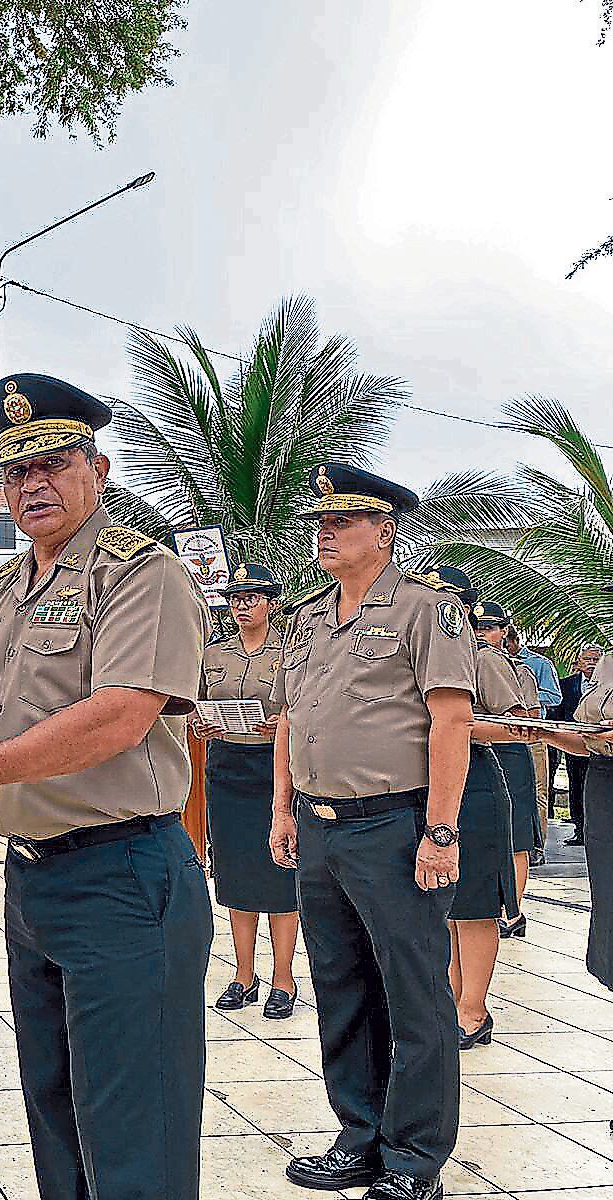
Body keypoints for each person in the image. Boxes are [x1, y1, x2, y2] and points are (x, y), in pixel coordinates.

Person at [0, 372, 211, 1200]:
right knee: (55, 1112)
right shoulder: (4, 590)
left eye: (53, 463)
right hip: (32, 875)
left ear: (98, 470)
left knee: (133, 1126)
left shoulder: (141, 574)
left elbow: (119, 716)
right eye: (17, 472)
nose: (33, 485)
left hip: (123, 872)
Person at [269, 464, 473, 1200]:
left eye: (343, 522)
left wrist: (440, 831)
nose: (325, 533)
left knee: (413, 994)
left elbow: (451, 720)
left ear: (385, 532)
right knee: (342, 986)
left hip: (394, 824)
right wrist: (282, 809)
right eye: (320, 523)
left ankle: (415, 1159)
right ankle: (359, 1136)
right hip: (320, 826)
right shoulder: (308, 618)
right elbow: (290, 718)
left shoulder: (425, 610)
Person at [190, 562, 298, 1020]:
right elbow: (193, 702)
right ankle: (243, 974)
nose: (241, 606)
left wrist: (284, 725)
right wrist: (199, 722)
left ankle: (283, 978)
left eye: (251, 598)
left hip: (275, 769)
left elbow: (305, 707)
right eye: (235, 598)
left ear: (271, 603)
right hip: (227, 769)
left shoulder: (289, 654)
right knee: (235, 874)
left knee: (280, 874)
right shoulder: (214, 654)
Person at [446, 593, 533, 1050]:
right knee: (444, 905)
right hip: (426, 778)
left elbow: (518, 723)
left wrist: (456, 723)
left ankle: (473, 1009)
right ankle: (452, 999)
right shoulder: (416, 651)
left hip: (475, 776)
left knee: (474, 902)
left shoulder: (481, 658)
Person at [536, 654, 613, 990]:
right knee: (608, 897)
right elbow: (589, 742)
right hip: (603, 782)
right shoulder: (608, 663)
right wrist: (542, 733)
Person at [481, 615, 542, 937]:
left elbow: (526, 718)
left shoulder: (512, 667)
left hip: (509, 751)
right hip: (482, 753)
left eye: (489, 628)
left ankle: (513, 912)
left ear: (504, 631)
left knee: (516, 837)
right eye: (478, 627)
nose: (482, 634)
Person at [512, 632, 561, 859]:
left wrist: (524, 694)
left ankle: (537, 847)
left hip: (534, 734)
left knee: (538, 790)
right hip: (505, 734)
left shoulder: (539, 664)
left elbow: (554, 696)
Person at [557, 647, 603, 845]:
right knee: (576, 786)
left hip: (601, 746)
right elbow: (559, 713)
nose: (591, 663)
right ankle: (579, 829)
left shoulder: (607, 685)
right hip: (574, 744)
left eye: (596, 659)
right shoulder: (567, 684)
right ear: (579, 661)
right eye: (588, 659)